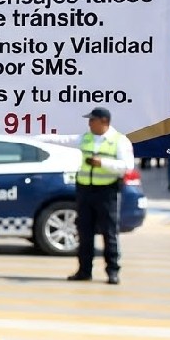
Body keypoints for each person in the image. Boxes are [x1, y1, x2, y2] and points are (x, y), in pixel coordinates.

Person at [43, 107, 135, 284]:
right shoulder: (85, 138)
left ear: (104, 121)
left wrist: (102, 163)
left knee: (109, 233)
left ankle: (113, 271)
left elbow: (127, 166)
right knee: (84, 233)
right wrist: (32, 138)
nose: (89, 123)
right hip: (85, 191)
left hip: (107, 192)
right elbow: (62, 140)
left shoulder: (120, 141)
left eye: (92, 120)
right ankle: (84, 271)